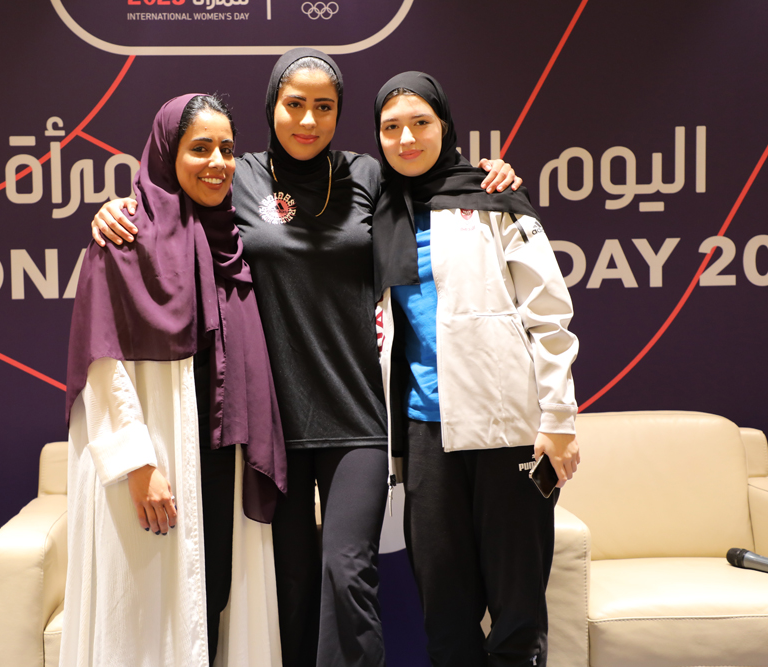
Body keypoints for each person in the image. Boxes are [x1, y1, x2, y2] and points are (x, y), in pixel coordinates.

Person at [90, 50, 522, 667]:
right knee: (288, 585)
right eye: (295, 104)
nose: (309, 120)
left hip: (358, 418)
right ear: (273, 106)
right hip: (272, 426)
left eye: (325, 107)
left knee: (349, 573)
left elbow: (432, 178)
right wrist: (115, 208)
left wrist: (491, 177)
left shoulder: (367, 175)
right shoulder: (238, 176)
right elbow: (168, 206)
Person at [63, 93, 287, 667]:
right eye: (199, 148)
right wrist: (138, 463)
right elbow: (102, 361)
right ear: (167, 152)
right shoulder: (122, 238)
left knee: (209, 606)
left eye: (227, 149)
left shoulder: (233, 239)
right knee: (145, 617)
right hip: (153, 461)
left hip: (219, 456)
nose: (217, 162)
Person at [372, 71, 580, 667]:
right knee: (446, 613)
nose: (406, 138)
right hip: (424, 433)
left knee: (517, 617)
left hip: (508, 427)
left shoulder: (496, 199)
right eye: (390, 128)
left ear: (445, 126)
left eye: (420, 123)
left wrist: (559, 420)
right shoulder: (377, 212)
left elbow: (549, 317)